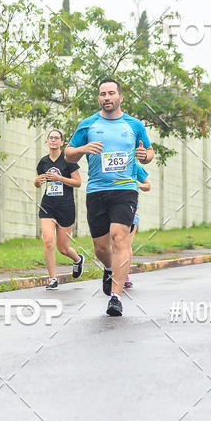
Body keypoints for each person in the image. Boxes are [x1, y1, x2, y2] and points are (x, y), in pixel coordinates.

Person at [65, 78, 153, 316]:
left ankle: (115, 297)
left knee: (120, 237)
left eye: (111, 93)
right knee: (101, 247)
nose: (107, 97)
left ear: (120, 97)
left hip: (125, 189)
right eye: (103, 94)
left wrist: (144, 156)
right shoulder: (88, 124)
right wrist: (83, 149)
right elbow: (68, 153)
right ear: (98, 98)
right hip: (96, 190)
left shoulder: (134, 125)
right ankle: (108, 268)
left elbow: (149, 151)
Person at [34, 129, 84, 289]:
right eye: (51, 138)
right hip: (48, 206)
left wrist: (60, 178)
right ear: (47, 141)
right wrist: (37, 181)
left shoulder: (68, 160)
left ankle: (78, 259)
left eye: (57, 138)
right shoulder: (43, 162)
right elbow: (38, 181)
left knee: (62, 248)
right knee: (49, 242)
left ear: (62, 142)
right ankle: (53, 279)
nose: (53, 140)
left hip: (66, 207)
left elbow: (78, 182)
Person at [124, 161, 151, 288]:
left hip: (132, 208)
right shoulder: (109, 164)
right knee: (112, 243)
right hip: (110, 207)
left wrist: (139, 184)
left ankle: (124, 275)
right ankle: (112, 272)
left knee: (126, 243)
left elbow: (148, 185)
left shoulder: (135, 166)